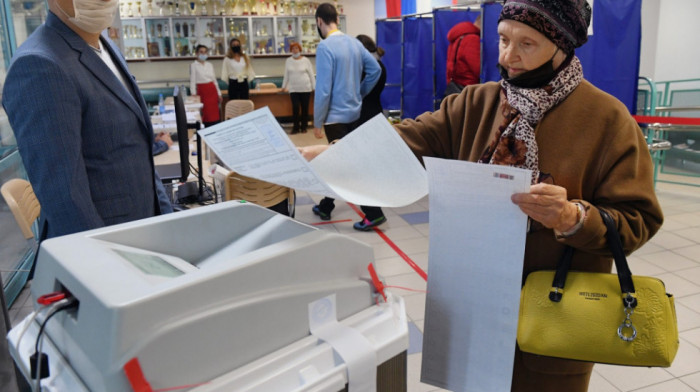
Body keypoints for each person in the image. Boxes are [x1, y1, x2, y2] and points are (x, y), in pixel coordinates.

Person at [301, 0, 663, 389]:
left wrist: (572, 217)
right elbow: (412, 138)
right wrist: (338, 153)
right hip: (473, 305)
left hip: (553, 316)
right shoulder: (477, 102)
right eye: (503, 39)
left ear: (563, 46)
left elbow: (638, 219)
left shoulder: (607, 120)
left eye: (528, 44)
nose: (509, 56)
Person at [2, 0, 173, 240]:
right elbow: (66, 199)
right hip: (108, 247)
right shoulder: (40, 65)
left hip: (142, 229)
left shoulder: (105, 46)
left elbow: (136, 151)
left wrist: (166, 218)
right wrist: (105, 265)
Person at [311, 2, 382, 229]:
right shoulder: (354, 43)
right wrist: (358, 93)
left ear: (320, 21)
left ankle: (374, 212)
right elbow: (376, 70)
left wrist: (317, 121)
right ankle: (325, 205)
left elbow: (323, 90)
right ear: (337, 19)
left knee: (346, 166)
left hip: (335, 118)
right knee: (340, 162)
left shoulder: (325, 47)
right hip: (354, 114)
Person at [353, 34, 387, 231]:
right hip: (376, 115)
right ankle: (326, 204)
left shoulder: (369, 68)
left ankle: (374, 213)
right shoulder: (381, 64)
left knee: (359, 166)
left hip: (364, 117)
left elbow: (360, 92)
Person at [281, 42, 315, 134]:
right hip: (293, 89)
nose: (295, 50)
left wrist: (314, 86)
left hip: (305, 88)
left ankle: (304, 127)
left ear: (300, 50)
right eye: (293, 49)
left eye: (296, 48)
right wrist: (283, 86)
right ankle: (296, 127)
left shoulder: (306, 60)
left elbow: (311, 74)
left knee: (305, 108)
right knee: (295, 108)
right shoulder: (288, 61)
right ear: (291, 50)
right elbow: (286, 74)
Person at [445, 14, 481, 95]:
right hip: (468, 88)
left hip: (455, 85)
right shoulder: (472, 39)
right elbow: (478, 69)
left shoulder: (459, 36)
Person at [190, 44, 222, 128]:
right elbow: (192, 81)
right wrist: (193, 95)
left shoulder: (209, 65)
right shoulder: (193, 65)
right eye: (201, 52)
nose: (203, 54)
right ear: (197, 53)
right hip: (202, 92)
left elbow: (214, 80)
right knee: (206, 114)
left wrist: (219, 93)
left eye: (205, 52)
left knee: (215, 114)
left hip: (212, 90)